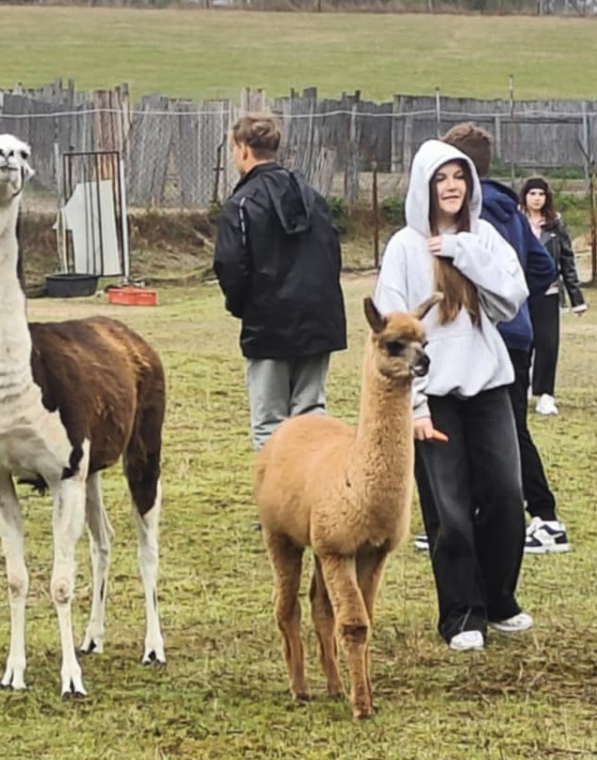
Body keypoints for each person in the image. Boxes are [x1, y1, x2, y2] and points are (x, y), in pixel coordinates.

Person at [375, 137, 530, 651]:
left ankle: (499, 598)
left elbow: (512, 297)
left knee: (507, 497)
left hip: (488, 387)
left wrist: (463, 251)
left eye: (459, 178)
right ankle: (462, 613)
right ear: (424, 185)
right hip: (433, 396)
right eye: (441, 179)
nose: (452, 187)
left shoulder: (482, 237)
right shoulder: (402, 248)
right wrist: (413, 407)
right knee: (451, 511)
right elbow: (392, 335)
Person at [443, 125, 569, 556]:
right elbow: (538, 267)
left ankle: (546, 517)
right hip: (514, 333)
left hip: (496, 336)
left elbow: (508, 269)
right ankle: (466, 517)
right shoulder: (512, 209)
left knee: (510, 429)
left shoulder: (485, 215)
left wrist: (498, 306)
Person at [213, 112, 347, 448]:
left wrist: (244, 307)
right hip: (319, 321)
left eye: (233, 148)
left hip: (268, 324)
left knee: (270, 424)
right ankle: (313, 495)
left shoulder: (240, 205)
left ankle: (279, 498)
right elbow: (332, 255)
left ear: (243, 149)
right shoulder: (312, 199)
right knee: (312, 412)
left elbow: (230, 266)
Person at [520, 175, 586, 416]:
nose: (536, 199)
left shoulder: (556, 224)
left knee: (548, 344)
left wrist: (576, 298)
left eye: (541, 194)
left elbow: (567, 261)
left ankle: (546, 394)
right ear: (524, 196)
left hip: (548, 292)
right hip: (519, 293)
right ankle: (521, 388)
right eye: (532, 194)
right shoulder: (516, 221)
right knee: (522, 343)